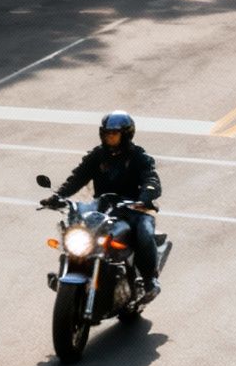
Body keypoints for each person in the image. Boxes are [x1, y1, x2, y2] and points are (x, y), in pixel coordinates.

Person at [47, 110, 163, 301]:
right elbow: (77, 178)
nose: (110, 137)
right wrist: (58, 196)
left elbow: (151, 179)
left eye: (114, 134)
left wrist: (146, 196)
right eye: (107, 133)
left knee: (144, 232)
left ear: (125, 135)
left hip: (132, 208)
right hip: (103, 207)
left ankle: (150, 281)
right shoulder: (98, 155)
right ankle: (67, 272)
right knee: (76, 226)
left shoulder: (137, 156)